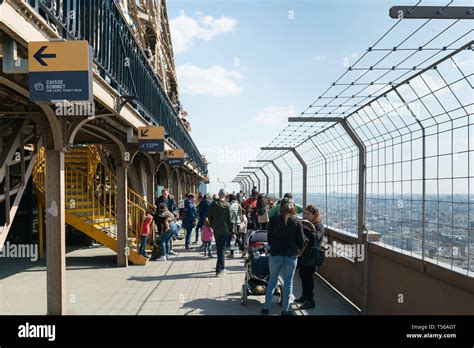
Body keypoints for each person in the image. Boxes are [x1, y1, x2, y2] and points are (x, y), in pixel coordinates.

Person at [261, 198, 304, 316]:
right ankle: (285, 310)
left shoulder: (274, 220)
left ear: (280, 208)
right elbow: (301, 241)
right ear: (293, 207)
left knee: (272, 281)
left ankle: (266, 308)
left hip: (275, 255)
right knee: (288, 282)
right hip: (291, 256)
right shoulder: (296, 221)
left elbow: (269, 239)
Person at [296, 205, 324, 310]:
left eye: (309, 214)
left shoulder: (319, 226)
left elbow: (316, 238)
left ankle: (310, 300)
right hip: (304, 254)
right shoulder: (308, 224)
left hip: (311, 256)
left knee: (308, 278)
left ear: (314, 215)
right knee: (303, 275)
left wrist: (306, 228)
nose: (306, 216)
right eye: (305, 213)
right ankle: (304, 296)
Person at [208, 188, 233, 277]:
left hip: (216, 230)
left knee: (220, 249)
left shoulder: (212, 204)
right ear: (225, 195)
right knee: (222, 250)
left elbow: (209, 217)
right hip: (225, 230)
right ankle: (219, 269)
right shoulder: (228, 205)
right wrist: (232, 230)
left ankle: (221, 267)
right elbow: (230, 220)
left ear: (219, 194)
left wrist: (213, 225)